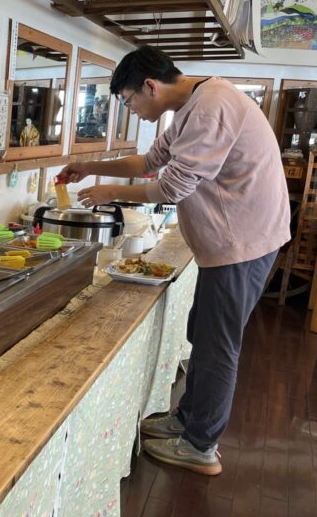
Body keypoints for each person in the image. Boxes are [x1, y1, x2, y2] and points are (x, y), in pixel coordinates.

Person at [58, 46, 289, 476]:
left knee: (218, 345)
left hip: (243, 242)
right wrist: (91, 167)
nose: (133, 109)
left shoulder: (210, 108)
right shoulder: (191, 104)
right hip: (230, 240)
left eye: (129, 101)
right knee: (202, 332)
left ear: (149, 86)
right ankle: (188, 419)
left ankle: (202, 445)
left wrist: (109, 192)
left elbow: (171, 187)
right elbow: (150, 163)